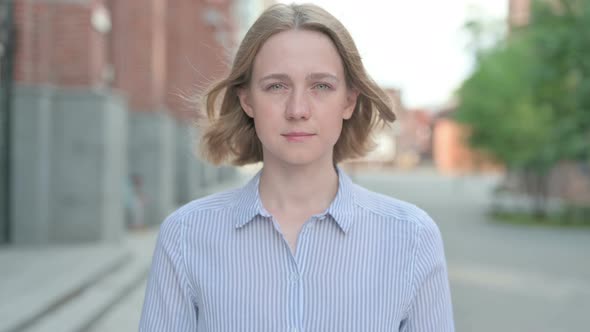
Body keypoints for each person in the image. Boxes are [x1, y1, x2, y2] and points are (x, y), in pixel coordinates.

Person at [139, 3, 454, 331]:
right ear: (247, 100)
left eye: (321, 86)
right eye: (277, 86)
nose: (298, 109)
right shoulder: (186, 236)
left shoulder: (413, 238)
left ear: (349, 101)